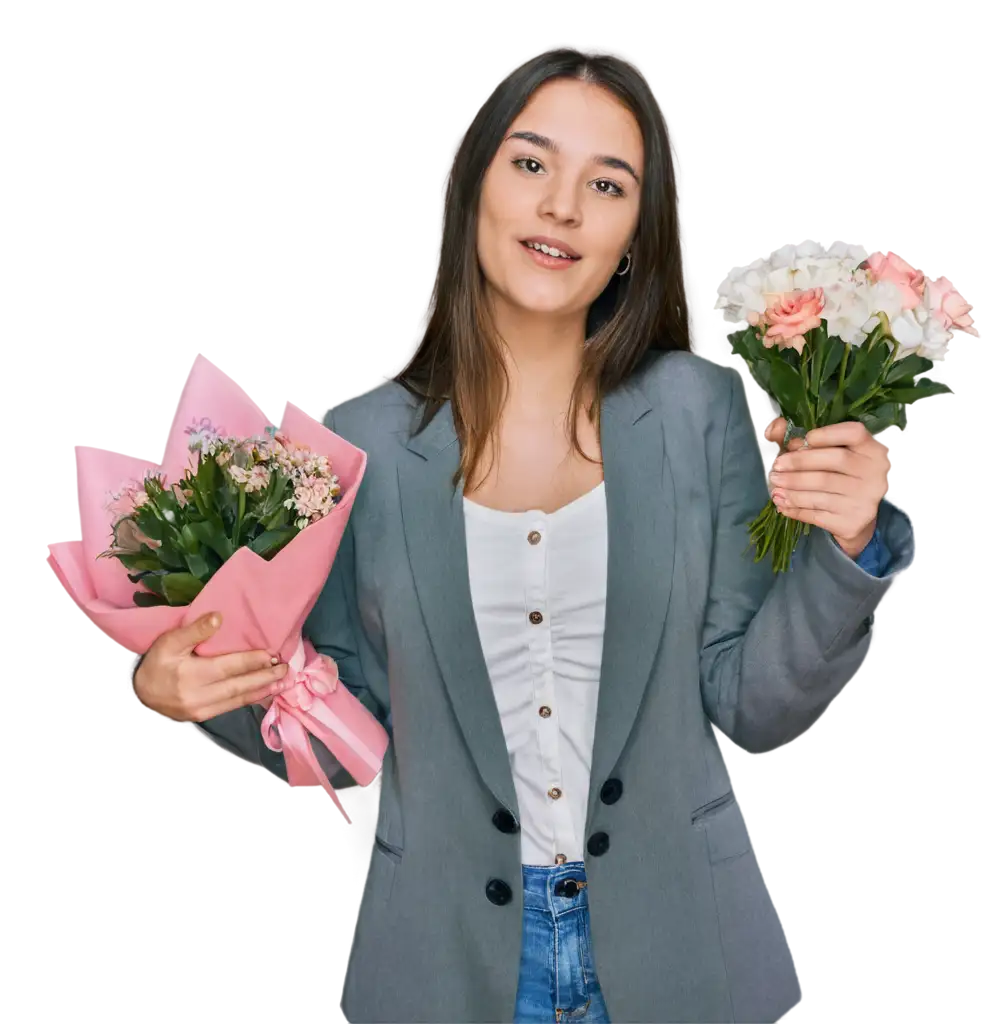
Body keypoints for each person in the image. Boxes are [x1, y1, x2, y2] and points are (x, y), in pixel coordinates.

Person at [130, 46, 914, 1024]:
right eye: (531, 164)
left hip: (684, 950)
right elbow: (339, 716)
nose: (562, 208)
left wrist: (848, 548)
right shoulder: (357, 442)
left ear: (633, 236)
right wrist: (180, 690)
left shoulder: (700, 410)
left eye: (607, 184)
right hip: (444, 963)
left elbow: (750, 701)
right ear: (474, 193)